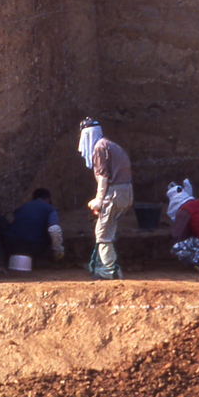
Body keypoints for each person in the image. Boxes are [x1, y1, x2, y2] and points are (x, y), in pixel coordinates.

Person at [80, 117, 132, 279]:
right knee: (106, 228)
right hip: (124, 192)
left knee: (103, 232)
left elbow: (103, 177)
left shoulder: (100, 148)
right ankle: (101, 264)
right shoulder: (108, 144)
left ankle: (109, 270)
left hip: (115, 192)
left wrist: (99, 200)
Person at [0, 188, 65, 261]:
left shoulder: (23, 206)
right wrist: (58, 251)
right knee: (49, 229)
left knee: (0, 219)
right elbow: (54, 229)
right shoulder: (51, 208)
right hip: (34, 249)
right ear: (48, 199)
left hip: (11, 246)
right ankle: (41, 262)